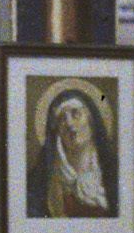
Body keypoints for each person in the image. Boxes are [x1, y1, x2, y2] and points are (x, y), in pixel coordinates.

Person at [28, 83, 117, 222]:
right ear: (56, 130)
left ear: (91, 120)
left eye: (76, 114)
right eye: (61, 119)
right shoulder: (40, 179)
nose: (69, 123)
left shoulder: (114, 172)